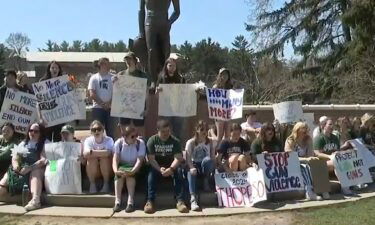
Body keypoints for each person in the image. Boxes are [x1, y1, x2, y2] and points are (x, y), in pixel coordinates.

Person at [0, 123, 48, 211]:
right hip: (23, 167)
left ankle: (35, 201)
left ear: (41, 133)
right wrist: (16, 166)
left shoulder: (45, 142)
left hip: (37, 167)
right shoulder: (24, 142)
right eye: (31, 130)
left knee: (35, 172)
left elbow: (43, 160)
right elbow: (14, 156)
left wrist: (29, 168)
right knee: (8, 176)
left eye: (36, 131)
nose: (32, 133)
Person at [144, 119, 188, 214]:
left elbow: (178, 158)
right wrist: (159, 169)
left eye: (168, 131)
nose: (166, 133)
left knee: (179, 171)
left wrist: (171, 169)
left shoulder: (175, 141)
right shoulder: (152, 141)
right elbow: (151, 159)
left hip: (171, 166)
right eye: (163, 131)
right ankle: (150, 201)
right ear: (158, 130)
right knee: (151, 173)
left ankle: (180, 201)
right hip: (157, 166)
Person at [285, 122, 330, 201]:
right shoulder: (290, 140)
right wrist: (305, 159)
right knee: (305, 167)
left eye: (306, 129)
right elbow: (290, 158)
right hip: (293, 163)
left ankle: (323, 189)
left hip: (305, 160)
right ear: (297, 130)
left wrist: (309, 159)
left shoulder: (308, 139)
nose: (306, 131)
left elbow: (310, 154)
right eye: (303, 129)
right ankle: (309, 192)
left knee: (320, 162)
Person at [138, 0, 180, 84]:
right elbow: (141, 10)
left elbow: (177, 11)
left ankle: (164, 79)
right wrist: (141, 31)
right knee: (151, 51)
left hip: (164, 24)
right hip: (150, 23)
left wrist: (169, 22)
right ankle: (153, 80)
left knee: (165, 52)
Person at [313, 118, 353, 196]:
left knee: (347, 161)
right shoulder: (319, 138)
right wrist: (329, 156)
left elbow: (337, 150)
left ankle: (354, 183)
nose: (332, 126)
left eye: (332, 125)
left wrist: (338, 152)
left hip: (334, 160)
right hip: (322, 163)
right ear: (323, 126)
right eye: (330, 124)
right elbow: (317, 153)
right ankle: (345, 187)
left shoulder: (335, 137)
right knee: (337, 163)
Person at [116, 52, 151, 138]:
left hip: (138, 106)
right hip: (124, 106)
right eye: (126, 60)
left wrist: (147, 108)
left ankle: (141, 148)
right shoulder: (121, 75)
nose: (128, 61)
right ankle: (124, 148)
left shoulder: (143, 75)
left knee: (140, 131)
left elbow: (147, 93)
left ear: (135, 61)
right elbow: (117, 92)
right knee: (123, 129)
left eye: (130, 59)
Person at [112, 125, 146, 213]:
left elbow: (140, 159)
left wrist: (133, 171)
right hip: (123, 166)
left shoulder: (140, 143)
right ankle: (117, 202)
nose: (135, 138)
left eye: (136, 135)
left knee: (130, 177)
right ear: (125, 137)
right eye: (132, 136)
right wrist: (116, 171)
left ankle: (130, 202)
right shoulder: (118, 143)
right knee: (118, 176)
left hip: (136, 166)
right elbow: (115, 159)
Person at [185, 120, 215, 211]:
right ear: (197, 130)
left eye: (206, 129)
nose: (204, 132)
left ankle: (206, 180)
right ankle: (193, 198)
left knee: (208, 160)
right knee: (191, 171)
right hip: (194, 164)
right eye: (202, 129)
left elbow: (212, 157)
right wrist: (191, 167)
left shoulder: (210, 142)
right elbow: (188, 158)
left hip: (205, 164)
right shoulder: (191, 142)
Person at [156, 58, 186, 140]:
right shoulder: (161, 77)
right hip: (166, 109)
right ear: (166, 66)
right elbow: (157, 96)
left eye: (174, 66)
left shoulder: (181, 79)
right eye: (170, 65)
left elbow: (185, 94)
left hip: (178, 110)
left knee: (178, 131)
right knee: (164, 130)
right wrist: (157, 91)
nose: (172, 67)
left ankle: (177, 149)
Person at [88, 57, 116, 139]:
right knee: (97, 130)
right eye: (107, 64)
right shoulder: (94, 78)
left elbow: (117, 92)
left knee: (111, 133)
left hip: (111, 109)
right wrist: (102, 104)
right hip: (98, 109)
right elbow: (92, 93)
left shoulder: (114, 78)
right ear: (101, 65)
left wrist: (109, 103)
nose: (109, 66)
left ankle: (111, 150)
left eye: (109, 64)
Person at [83, 120, 114, 193]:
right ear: (91, 132)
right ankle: (92, 184)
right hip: (95, 170)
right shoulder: (88, 140)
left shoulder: (109, 139)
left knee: (104, 159)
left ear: (103, 130)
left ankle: (106, 184)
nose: (97, 131)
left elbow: (108, 153)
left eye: (99, 129)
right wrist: (101, 152)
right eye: (94, 130)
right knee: (91, 159)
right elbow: (85, 154)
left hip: (108, 169)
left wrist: (92, 152)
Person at [39, 61, 65, 142]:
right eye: (52, 67)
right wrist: (40, 117)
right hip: (48, 117)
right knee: (47, 139)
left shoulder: (63, 81)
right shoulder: (42, 82)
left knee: (58, 139)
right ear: (49, 69)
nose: (54, 69)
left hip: (60, 116)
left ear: (59, 70)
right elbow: (39, 101)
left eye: (56, 68)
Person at [213, 68, 234, 144]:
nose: (224, 76)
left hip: (228, 112)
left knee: (228, 135)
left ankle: (226, 152)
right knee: (220, 135)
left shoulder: (231, 87)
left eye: (226, 74)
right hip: (219, 113)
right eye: (222, 74)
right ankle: (218, 152)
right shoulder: (216, 87)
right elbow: (212, 100)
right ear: (220, 76)